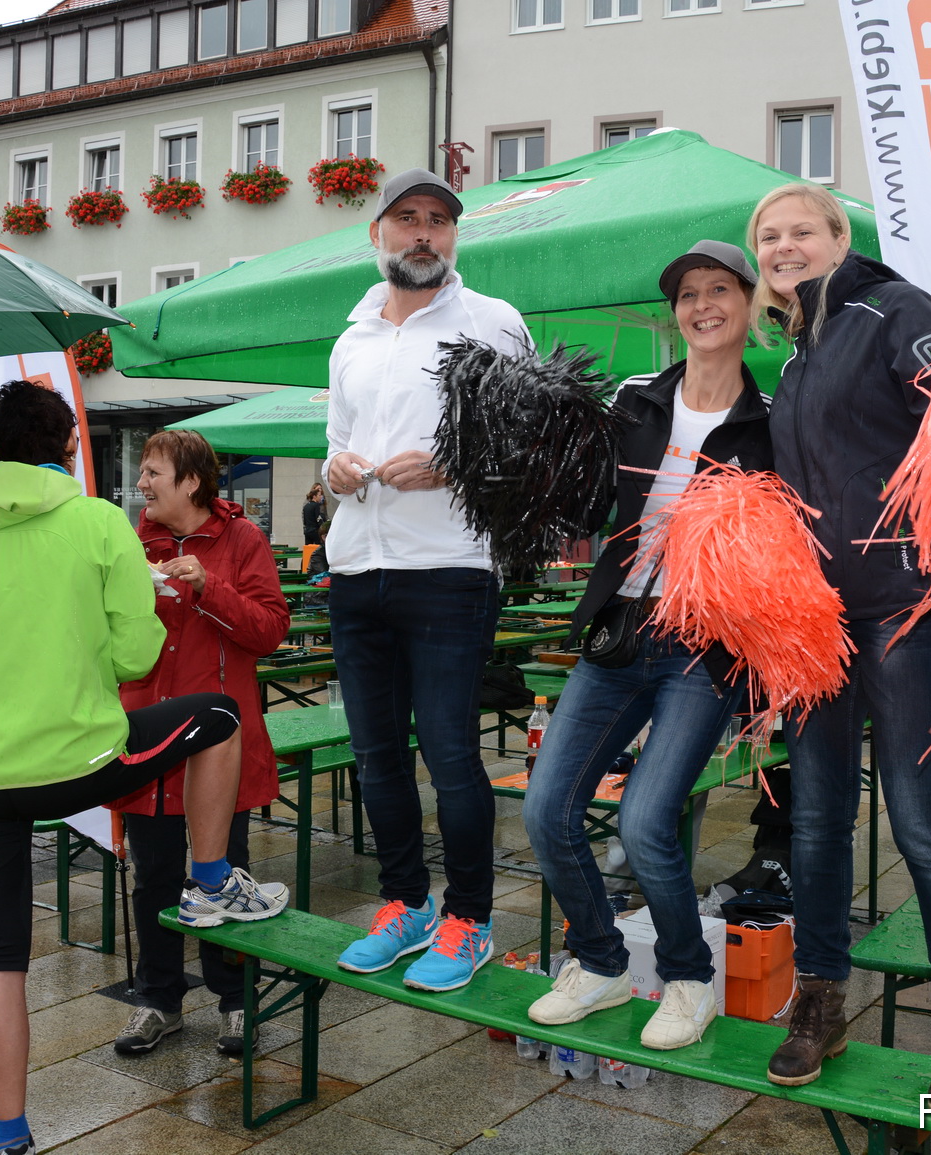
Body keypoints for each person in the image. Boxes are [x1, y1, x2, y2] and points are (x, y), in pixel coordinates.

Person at [0, 382, 285, 1155]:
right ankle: (211, 879)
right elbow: (136, 653)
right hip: (77, 758)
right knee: (220, 715)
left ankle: (9, 1135)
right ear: (71, 446)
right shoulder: (101, 524)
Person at [748, 184, 931, 1098]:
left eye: (799, 231)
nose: (783, 247)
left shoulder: (894, 308)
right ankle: (820, 999)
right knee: (814, 822)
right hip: (819, 618)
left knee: (922, 821)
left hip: (908, 603)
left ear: (838, 236)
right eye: (769, 237)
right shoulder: (794, 353)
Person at [522, 241, 773, 1050]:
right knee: (546, 809)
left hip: (703, 644)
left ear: (749, 304)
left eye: (720, 290)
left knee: (645, 820)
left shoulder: (770, 422)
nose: (703, 305)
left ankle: (690, 977)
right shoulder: (634, 399)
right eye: (688, 294)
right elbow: (592, 504)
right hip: (620, 626)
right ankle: (597, 961)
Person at [323, 168, 529, 991]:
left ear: (455, 236)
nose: (422, 233)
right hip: (355, 567)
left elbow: (529, 448)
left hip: (448, 568)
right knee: (375, 757)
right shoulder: (350, 338)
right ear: (377, 234)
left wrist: (452, 466)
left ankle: (468, 919)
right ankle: (403, 902)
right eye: (406, 218)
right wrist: (335, 471)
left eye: (438, 221)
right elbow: (338, 439)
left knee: (449, 754)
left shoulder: (492, 322)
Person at [110, 430, 290, 1059]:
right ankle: (158, 1000)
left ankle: (236, 1001)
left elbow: (270, 630)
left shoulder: (243, 541)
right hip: (146, 737)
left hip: (219, 742)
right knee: (153, 876)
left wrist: (208, 586)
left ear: (190, 480)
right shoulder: (131, 543)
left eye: (152, 471)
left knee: (223, 877)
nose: (141, 483)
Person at [302, 482, 327, 547]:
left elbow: (304, 520)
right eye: (319, 495)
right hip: (315, 530)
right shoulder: (316, 505)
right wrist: (322, 527)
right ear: (314, 497)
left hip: (307, 530)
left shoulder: (306, 506)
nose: (320, 497)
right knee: (319, 547)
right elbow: (318, 518)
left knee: (308, 547)